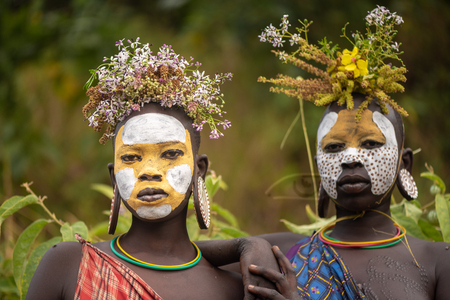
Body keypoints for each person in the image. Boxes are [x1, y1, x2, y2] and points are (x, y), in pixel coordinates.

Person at [202, 7, 450, 300]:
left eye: (371, 144)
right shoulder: (283, 254)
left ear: (403, 162)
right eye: (334, 147)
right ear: (320, 165)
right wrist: (248, 246)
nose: (350, 158)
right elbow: (175, 258)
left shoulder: (438, 261)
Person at [26, 39, 244, 300]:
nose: (149, 171)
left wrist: (250, 245)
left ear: (200, 170)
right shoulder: (68, 266)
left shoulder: (234, 287)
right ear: (113, 176)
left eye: (171, 153)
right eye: (130, 157)